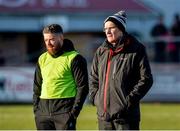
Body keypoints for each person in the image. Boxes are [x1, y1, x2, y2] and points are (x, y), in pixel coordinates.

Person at [89, 10, 153, 130]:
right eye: (105, 28)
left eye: (111, 28)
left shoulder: (136, 49)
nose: (107, 31)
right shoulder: (101, 51)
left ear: (121, 29)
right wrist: (95, 98)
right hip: (104, 118)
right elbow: (94, 77)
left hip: (126, 118)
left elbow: (146, 79)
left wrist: (127, 102)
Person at [33, 24, 89, 130]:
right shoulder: (42, 58)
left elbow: (83, 87)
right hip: (43, 113)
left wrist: (73, 113)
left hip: (64, 110)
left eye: (52, 39)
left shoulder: (75, 58)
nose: (48, 43)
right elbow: (37, 86)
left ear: (61, 38)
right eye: (46, 40)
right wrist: (37, 111)